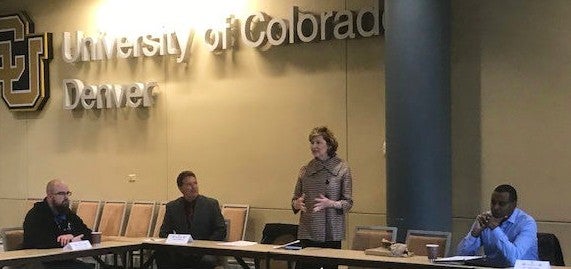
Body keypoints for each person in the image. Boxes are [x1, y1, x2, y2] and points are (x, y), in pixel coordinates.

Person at [291, 126, 353, 269]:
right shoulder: (305, 169)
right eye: (312, 143)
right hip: (308, 230)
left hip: (331, 232)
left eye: (318, 142)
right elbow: (295, 198)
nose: (314, 146)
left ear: (329, 145)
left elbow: (348, 203)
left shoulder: (342, 169)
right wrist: (296, 204)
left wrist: (330, 203)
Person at [156, 170, 227, 269]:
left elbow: (221, 230)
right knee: (161, 254)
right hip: (181, 250)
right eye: (189, 184)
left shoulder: (211, 204)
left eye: (195, 183)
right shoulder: (172, 207)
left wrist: (205, 244)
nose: (194, 187)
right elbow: (164, 232)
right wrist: (178, 242)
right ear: (181, 188)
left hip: (204, 251)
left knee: (206, 261)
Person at [456, 184, 538, 267]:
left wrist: (495, 228)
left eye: (501, 204)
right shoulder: (486, 219)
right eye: (493, 202)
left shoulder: (527, 223)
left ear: (514, 205)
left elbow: (514, 260)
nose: (495, 207)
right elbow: (461, 256)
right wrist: (474, 234)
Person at [23, 179, 94, 269]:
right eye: (61, 193)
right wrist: (69, 241)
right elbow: (40, 242)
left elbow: (87, 233)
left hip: (62, 259)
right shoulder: (36, 214)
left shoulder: (67, 213)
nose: (66, 197)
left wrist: (72, 236)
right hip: (38, 262)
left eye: (67, 193)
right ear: (50, 196)